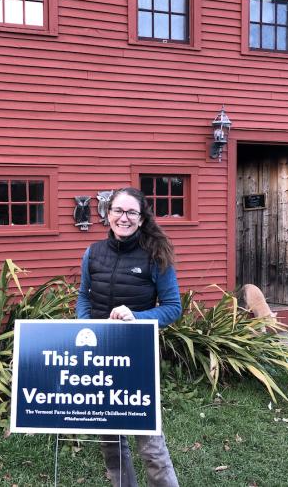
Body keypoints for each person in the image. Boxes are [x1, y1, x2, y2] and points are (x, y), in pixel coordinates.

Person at [76, 187, 182, 487]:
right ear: (108, 215)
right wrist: (86, 325)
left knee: (150, 442)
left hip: (137, 356)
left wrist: (138, 317)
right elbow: (84, 296)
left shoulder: (156, 255)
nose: (124, 218)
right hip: (99, 354)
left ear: (141, 217)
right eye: (118, 211)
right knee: (110, 439)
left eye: (131, 212)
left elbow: (173, 308)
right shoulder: (92, 253)